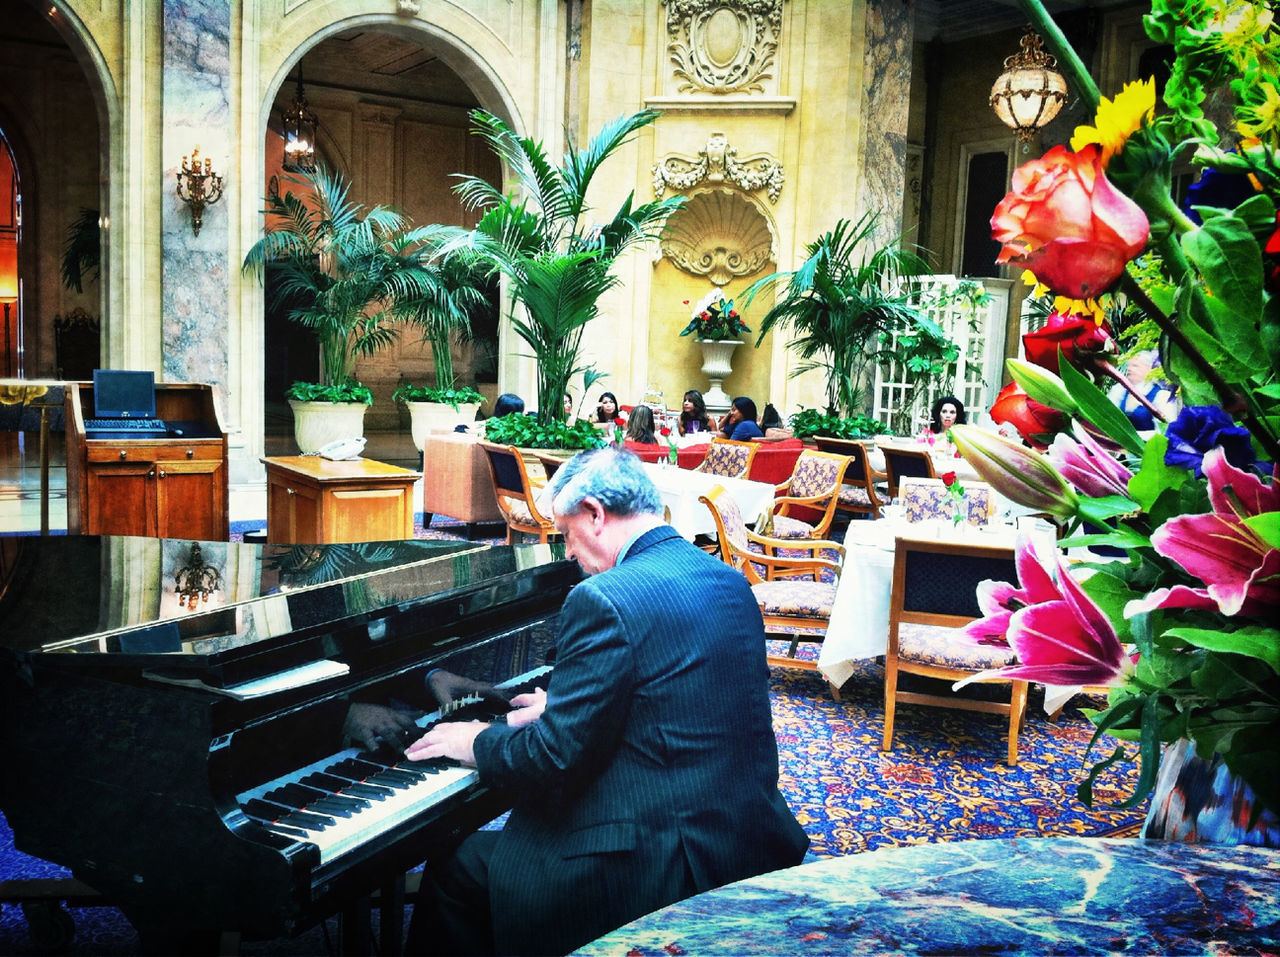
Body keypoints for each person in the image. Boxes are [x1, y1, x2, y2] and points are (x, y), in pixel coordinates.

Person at [404, 448, 809, 956]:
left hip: (661, 861)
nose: (568, 553)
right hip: (743, 835)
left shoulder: (605, 598)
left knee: (457, 864)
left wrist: (477, 739)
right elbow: (679, 698)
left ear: (595, 514)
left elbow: (553, 758)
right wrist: (566, 708)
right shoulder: (727, 580)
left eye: (567, 533)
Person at [1107, 349, 1176, 430]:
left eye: (1135, 366)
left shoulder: (1162, 396)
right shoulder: (1119, 390)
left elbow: (1165, 431)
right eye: (1129, 365)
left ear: (1148, 369)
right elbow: (1107, 415)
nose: (1129, 369)